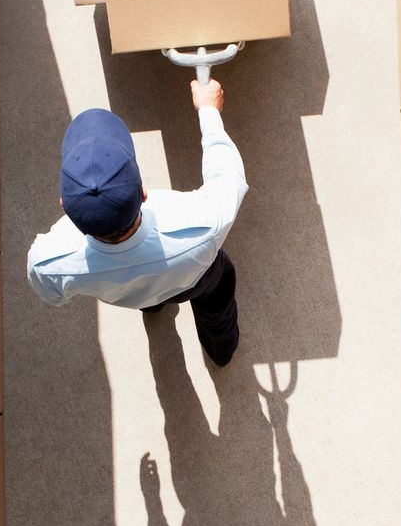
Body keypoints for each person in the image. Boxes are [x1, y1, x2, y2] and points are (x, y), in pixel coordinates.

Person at [27, 76, 248, 366]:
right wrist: (208, 110)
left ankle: (153, 306)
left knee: (150, 300)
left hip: (131, 296)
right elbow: (227, 177)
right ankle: (221, 352)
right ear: (143, 192)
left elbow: (53, 295)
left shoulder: (47, 263)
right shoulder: (201, 225)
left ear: (64, 206)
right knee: (217, 313)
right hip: (201, 278)